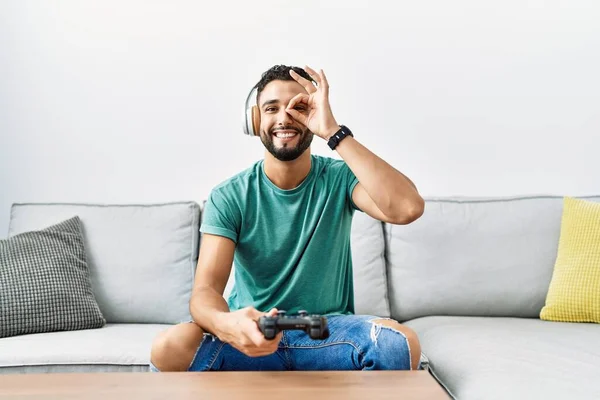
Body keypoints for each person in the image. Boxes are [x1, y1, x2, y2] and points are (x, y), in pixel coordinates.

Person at [150, 65, 425, 372]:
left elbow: (407, 208)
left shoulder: (340, 179)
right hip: (251, 338)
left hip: (328, 334)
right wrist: (228, 325)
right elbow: (205, 293)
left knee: (399, 341)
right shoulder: (229, 195)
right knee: (171, 345)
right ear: (255, 120)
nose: (284, 118)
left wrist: (334, 131)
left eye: (299, 107)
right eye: (271, 108)